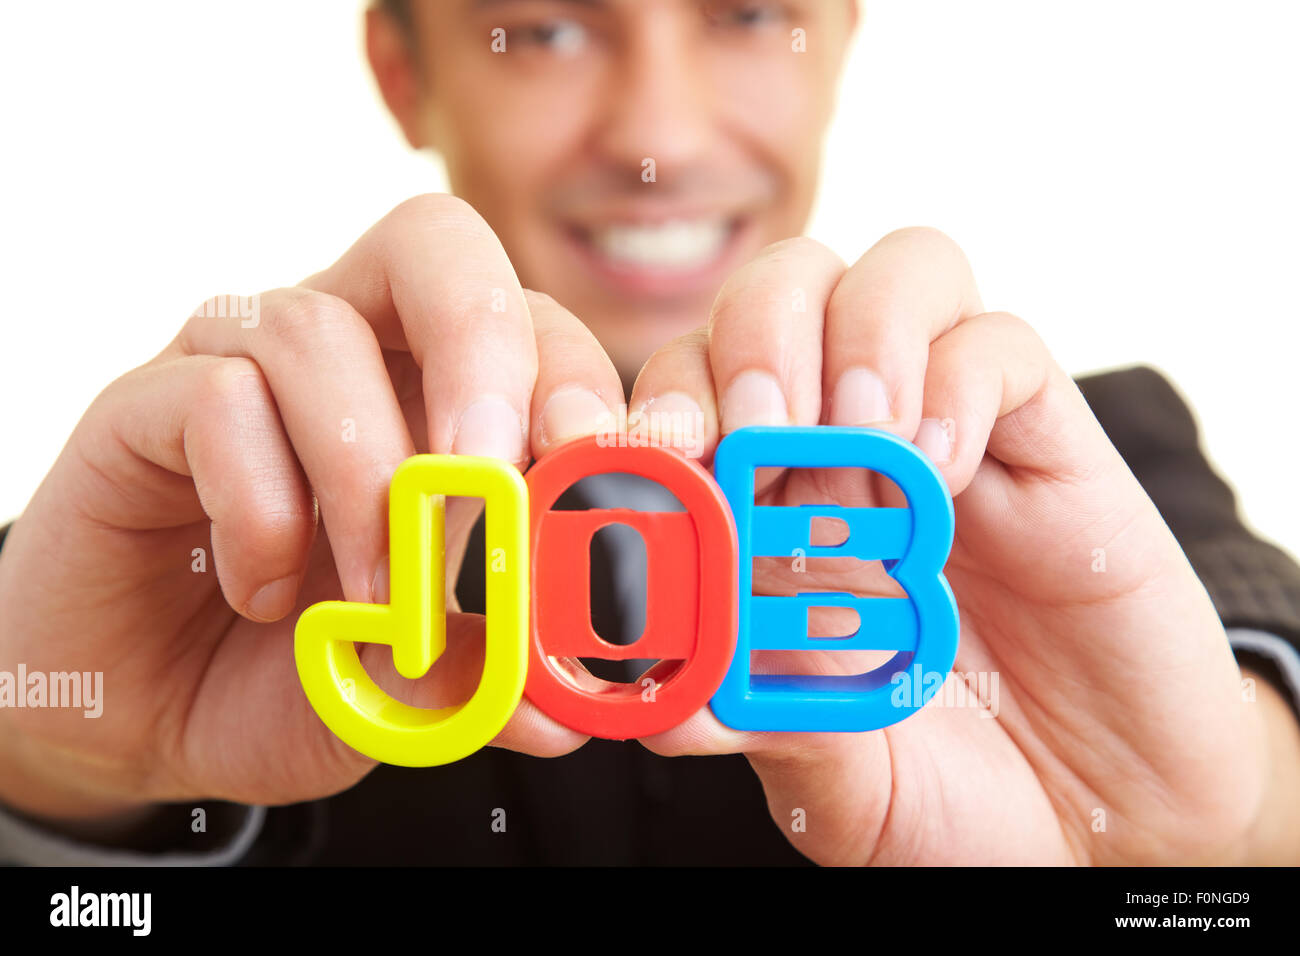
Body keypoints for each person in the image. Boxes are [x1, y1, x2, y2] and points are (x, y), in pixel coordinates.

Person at [1, 0, 1298, 866]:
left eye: (744, 14)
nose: (658, 141)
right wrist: (44, 761)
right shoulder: (213, 533)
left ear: (837, 33)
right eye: (549, 27)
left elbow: (1250, 689)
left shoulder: (1060, 470)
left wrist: (1214, 843)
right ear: (406, 74)